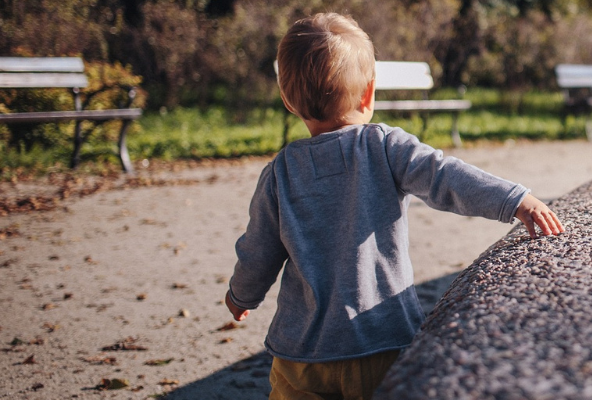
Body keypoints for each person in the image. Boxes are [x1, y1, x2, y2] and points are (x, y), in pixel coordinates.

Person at [223, 13, 564, 399]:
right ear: (369, 94)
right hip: (382, 341)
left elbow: (259, 249)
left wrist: (241, 295)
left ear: (286, 99)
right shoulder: (384, 147)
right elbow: (446, 177)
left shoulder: (280, 172)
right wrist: (515, 199)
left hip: (302, 355)